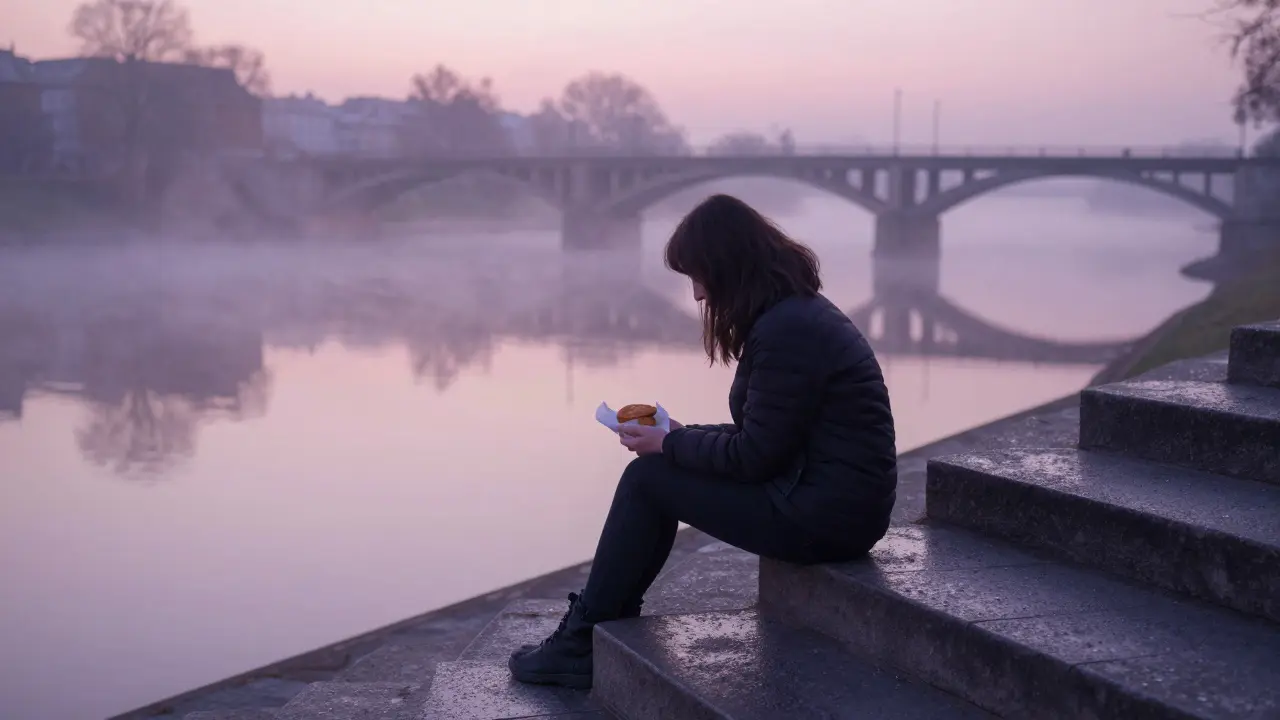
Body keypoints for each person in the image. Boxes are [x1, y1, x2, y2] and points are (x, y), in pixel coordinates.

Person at [508, 194, 897, 689]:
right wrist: (677, 435)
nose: (696, 295)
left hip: (825, 517)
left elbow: (754, 457)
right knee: (656, 471)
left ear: (728, 267)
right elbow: (766, 438)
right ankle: (600, 625)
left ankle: (583, 639)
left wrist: (668, 447)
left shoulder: (787, 331)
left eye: (698, 276)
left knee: (648, 478)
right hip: (826, 499)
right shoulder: (795, 315)